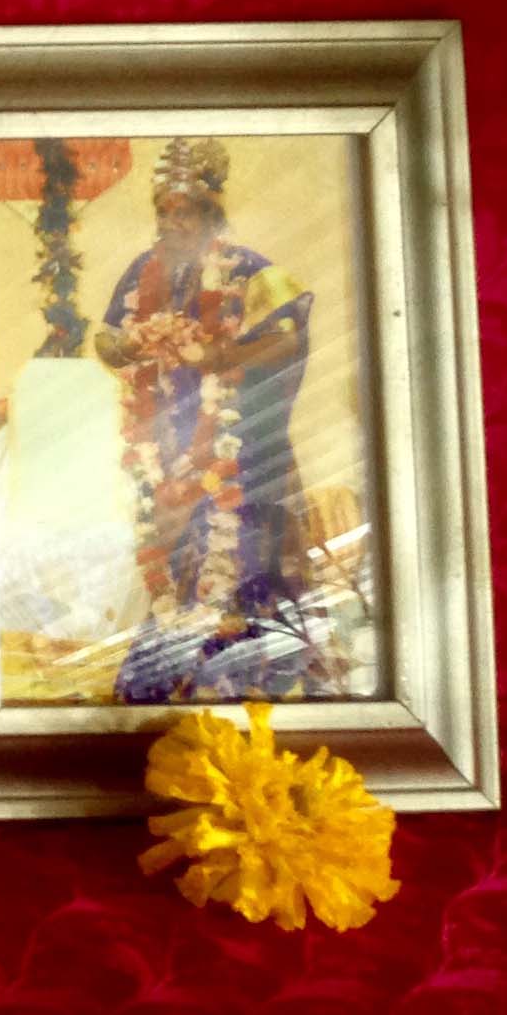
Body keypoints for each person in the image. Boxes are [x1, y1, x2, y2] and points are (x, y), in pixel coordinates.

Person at [90, 138, 332, 703]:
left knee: (245, 559)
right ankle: (170, 681)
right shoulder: (144, 271)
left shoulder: (245, 268)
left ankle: (244, 684)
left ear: (211, 215)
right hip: (170, 454)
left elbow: (287, 335)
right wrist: (123, 347)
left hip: (243, 450)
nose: (173, 221)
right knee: (173, 568)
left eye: (186, 210)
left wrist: (222, 357)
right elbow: (105, 337)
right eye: (164, 211)